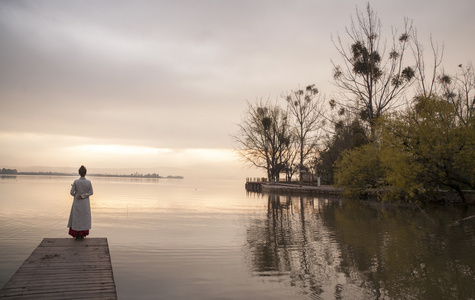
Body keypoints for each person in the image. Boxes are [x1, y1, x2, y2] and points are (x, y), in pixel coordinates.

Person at [68, 165, 93, 240]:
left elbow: (72, 193)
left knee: (77, 217)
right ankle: (82, 234)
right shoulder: (88, 182)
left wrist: (77, 194)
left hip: (77, 202)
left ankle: (77, 234)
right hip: (85, 203)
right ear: (85, 173)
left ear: (79, 173)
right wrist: (83, 195)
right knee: (84, 217)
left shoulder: (76, 182)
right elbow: (91, 192)